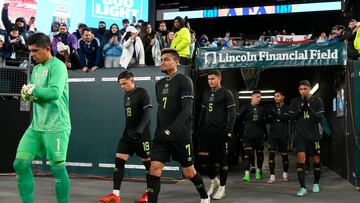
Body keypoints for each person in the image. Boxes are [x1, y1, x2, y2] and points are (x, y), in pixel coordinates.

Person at [146, 48, 210, 203]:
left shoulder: (184, 80)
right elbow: (162, 110)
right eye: (161, 59)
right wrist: (161, 131)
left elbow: (187, 110)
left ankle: (204, 196)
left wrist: (171, 130)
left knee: (189, 172)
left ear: (176, 62)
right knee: (154, 169)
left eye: (166, 59)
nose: (162, 62)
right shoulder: (159, 84)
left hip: (180, 135)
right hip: (162, 136)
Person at [15, 32, 71, 203]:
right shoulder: (37, 69)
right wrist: (27, 96)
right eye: (30, 51)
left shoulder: (58, 66)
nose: (32, 55)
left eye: (35, 51)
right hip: (36, 126)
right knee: (20, 164)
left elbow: (54, 93)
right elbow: (37, 95)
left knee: (57, 168)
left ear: (48, 48)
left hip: (56, 126)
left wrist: (33, 92)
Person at [98, 71, 152, 203]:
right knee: (119, 161)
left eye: (125, 83)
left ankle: (150, 192)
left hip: (142, 135)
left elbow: (148, 112)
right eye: (120, 84)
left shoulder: (142, 92)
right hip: (127, 135)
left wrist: (140, 129)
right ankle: (115, 194)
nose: (122, 86)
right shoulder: (126, 96)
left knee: (149, 165)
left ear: (132, 80)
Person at [197, 70, 236, 200]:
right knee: (204, 162)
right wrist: (198, 129)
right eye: (208, 79)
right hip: (206, 133)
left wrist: (229, 131)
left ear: (219, 79)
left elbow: (232, 114)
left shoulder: (226, 94)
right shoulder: (206, 93)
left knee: (221, 160)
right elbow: (202, 113)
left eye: (213, 79)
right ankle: (214, 182)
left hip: (220, 132)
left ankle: (222, 188)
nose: (210, 81)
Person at [289, 80, 324, 197]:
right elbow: (292, 118)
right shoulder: (295, 101)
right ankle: (302, 187)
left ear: (309, 89)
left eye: (304, 89)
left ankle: (316, 182)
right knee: (301, 158)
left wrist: (308, 107)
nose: (302, 91)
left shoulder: (317, 100)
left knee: (316, 160)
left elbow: (319, 118)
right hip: (300, 136)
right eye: (300, 89)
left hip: (314, 136)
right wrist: (300, 109)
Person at [238, 90, 267, 182]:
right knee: (247, 154)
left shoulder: (262, 109)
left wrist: (266, 134)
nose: (259, 99)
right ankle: (247, 174)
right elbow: (238, 118)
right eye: (257, 97)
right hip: (248, 135)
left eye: (260, 97)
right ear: (252, 97)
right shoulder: (245, 108)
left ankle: (259, 171)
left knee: (259, 154)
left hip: (259, 135)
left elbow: (264, 124)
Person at [267, 91, 290, 184]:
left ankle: (285, 173)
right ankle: (272, 176)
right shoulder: (271, 108)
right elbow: (269, 119)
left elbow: (287, 117)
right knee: (271, 155)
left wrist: (276, 115)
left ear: (283, 97)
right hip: (273, 135)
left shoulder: (287, 107)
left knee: (284, 155)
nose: (276, 98)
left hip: (283, 134)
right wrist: (279, 116)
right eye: (274, 96)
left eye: (278, 96)